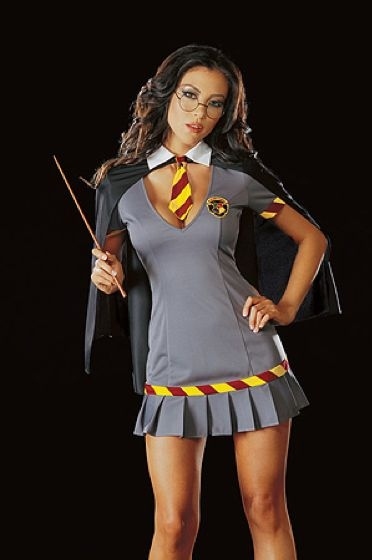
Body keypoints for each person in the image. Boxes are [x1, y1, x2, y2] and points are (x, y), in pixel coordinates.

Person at [84, 44, 340, 560]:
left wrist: (286, 307)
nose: (199, 113)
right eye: (189, 95)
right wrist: (105, 278)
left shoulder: (236, 174)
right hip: (169, 363)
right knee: (173, 524)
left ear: (226, 112)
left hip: (249, 355)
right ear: (166, 95)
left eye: (215, 103)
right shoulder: (119, 183)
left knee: (265, 509)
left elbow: (312, 238)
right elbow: (110, 268)